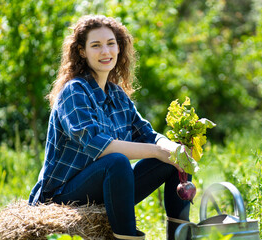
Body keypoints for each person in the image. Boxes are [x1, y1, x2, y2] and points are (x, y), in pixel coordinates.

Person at [29, 15, 191, 240]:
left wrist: (170, 148)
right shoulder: (74, 91)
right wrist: (156, 151)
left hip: (107, 187)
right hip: (62, 195)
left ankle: (181, 236)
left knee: (176, 157)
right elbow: (99, 146)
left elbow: (147, 134)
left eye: (110, 43)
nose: (105, 51)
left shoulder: (117, 95)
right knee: (116, 161)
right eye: (96, 45)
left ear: (119, 47)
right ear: (82, 51)